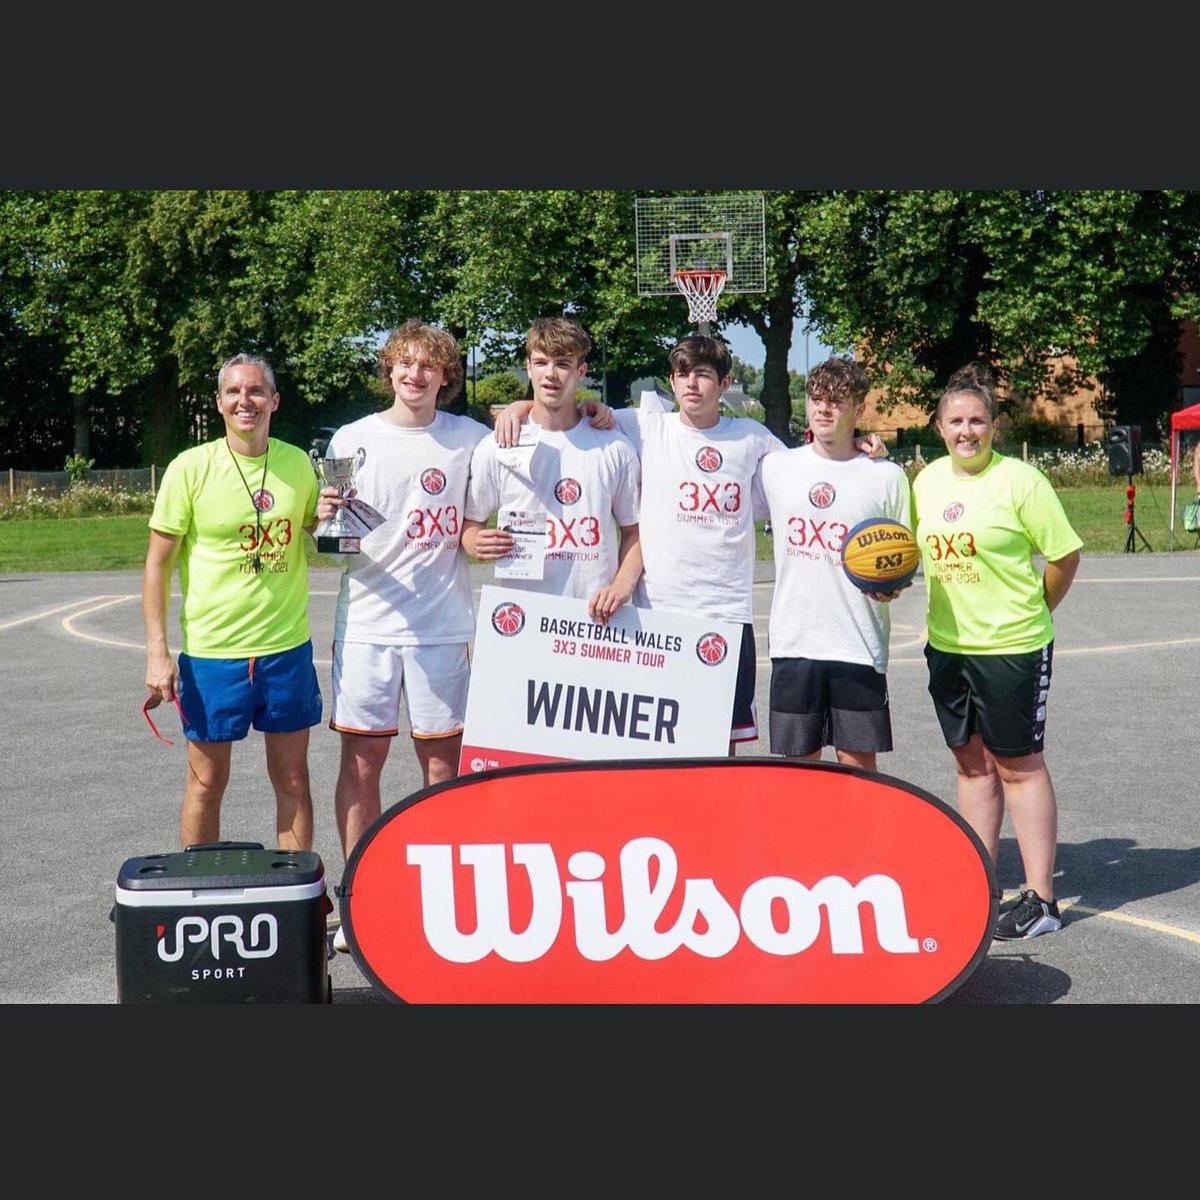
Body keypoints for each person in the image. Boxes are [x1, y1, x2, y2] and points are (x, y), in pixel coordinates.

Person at [496, 334, 885, 755]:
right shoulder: (644, 426)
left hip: (726, 616)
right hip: (657, 616)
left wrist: (861, 440)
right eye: (683, 375)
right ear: (671, 381)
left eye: (703, 375)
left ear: (725, 381)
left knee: (721, 748)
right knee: (656, 744)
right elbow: (565, 413)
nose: (692, 385)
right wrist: (518, 408)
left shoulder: (752, 438)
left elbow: (811, 466)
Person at [912, 363, 1083, 941]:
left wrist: (1036, 610)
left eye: (977, 420)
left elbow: (1063, 557)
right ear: (939, 427)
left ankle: (1042, 899)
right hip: (948, 645)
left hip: (1012, 646)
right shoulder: (926, 482)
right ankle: (981, 880)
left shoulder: (1022, 482)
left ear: (995, 426)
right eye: (956, 421)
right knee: (970, 763)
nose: (967, 431)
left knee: (1018, 765)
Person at [319, 322, 491, 896]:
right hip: (368, 622)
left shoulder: (470, 437)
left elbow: (537, 429)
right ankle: (359, 890)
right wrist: (325, 522)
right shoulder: (351, 437)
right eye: (405, 363)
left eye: (428, 366)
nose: (414, 375)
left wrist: (520, 404)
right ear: (389, 369)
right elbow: (333, 539)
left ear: (446, 377)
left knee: (442, 767)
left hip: (442, 627)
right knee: (363, 764)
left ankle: (437, 888)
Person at [142, 353, 322, 852]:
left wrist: (332, 515)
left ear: (275, 401)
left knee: (291, 781)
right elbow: (156, 565)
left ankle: (297, 900)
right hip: (213, 653)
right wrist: (158, 652)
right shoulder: (190, 468)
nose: (246, 401)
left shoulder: (299, 464)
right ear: (220, 404)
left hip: (285, 649)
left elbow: (316, 525)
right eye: (234, 393)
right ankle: (200, 896)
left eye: (256, 391)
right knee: (205, 783)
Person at [757, 356, 912, 771]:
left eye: (838, 401)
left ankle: (859, 840)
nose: (824, 408)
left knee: (857, 764)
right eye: (816, 398)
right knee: (797, 765)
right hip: (795, 639)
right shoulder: (776, 467)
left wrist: (893, 583)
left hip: (858, 641)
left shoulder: (885, 476)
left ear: (860, 409)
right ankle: (800, 840)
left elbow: (901, 556)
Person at [462, 317, 643, 624]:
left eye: (562, 363)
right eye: (541, 362)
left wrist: (621, 585)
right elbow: (471, 524)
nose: (550, 373)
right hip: (523, 621)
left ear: (580, 371)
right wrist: (476, 542)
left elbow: (634, 531)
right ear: (529, 367)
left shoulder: (614, 447)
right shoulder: (498, 446)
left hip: (596, 621)